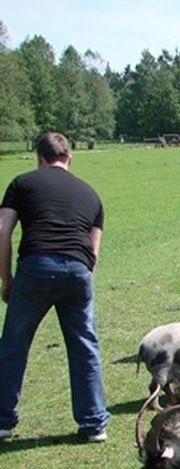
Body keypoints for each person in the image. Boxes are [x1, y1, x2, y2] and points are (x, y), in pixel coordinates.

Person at [0, 132, 110, 442]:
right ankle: (93, 424)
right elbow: (94, 254)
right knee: (85, 346)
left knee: (14, 344)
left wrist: (7, 280)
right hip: (78, 270)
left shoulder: (22, 183)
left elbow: (2, 230)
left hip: (36, 266)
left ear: (39, 158)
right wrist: (80, 280)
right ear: (69, 159)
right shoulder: (91, 195)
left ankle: (2, 419)